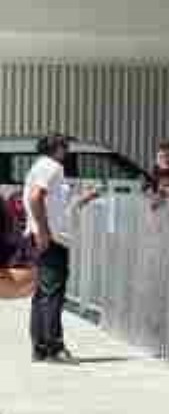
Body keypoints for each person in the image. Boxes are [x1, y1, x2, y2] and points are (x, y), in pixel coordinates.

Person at [24, 133, 89, 363]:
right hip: (50, 239)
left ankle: (40, 347)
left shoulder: (42, 166)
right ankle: (54, 347)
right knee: (52, 293)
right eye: (65, 146)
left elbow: (54, 205)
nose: (68, 151)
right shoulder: (52, 167)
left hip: (46, 236)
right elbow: (35, 198)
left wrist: (83, 199)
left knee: (43, 292)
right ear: (58, 148)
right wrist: (43, 231)